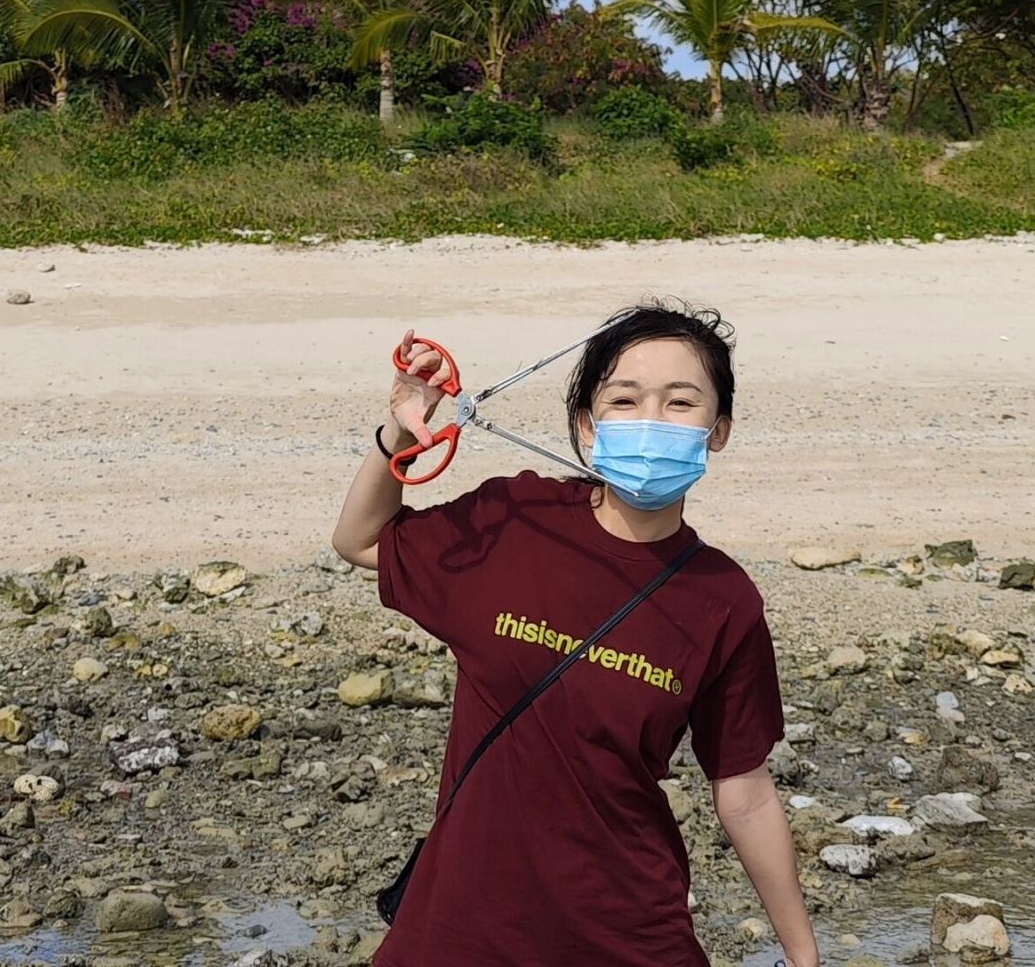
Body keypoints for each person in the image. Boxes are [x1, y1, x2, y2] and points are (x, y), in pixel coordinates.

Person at [331, 302, 819, 967]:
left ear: (718, 430)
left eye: (680, 402)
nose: (650, 419)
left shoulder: (722, 601)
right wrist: (400, 427)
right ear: (588, 424)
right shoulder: (515, 519)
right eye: (625, 398)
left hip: (627, 932)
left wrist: (803, 955)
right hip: (458, 931)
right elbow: (361, 540)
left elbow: (745, 790)